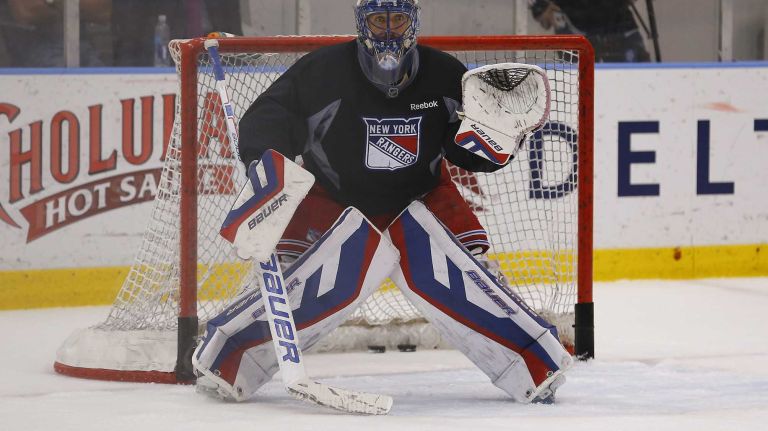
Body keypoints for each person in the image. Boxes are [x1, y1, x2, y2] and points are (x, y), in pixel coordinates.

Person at [192, 0, 571, 406]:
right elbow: (271, 115)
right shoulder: (323, 70)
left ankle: (533, 363)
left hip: (420, 196)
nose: (388, 30)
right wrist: (264, 161)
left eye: (397, 19)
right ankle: (227, 361)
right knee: (297, 287)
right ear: (361, 23)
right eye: (378, 19)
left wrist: (500, 142)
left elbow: (463, 150)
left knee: (469, 276)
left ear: (413, 22)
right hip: (333, 199)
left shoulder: (445, 74)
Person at [529, 0, 651, 62]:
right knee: (573, 90)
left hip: (618, 22)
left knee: (635, 82)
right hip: (573, 21)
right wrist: (539, 6)